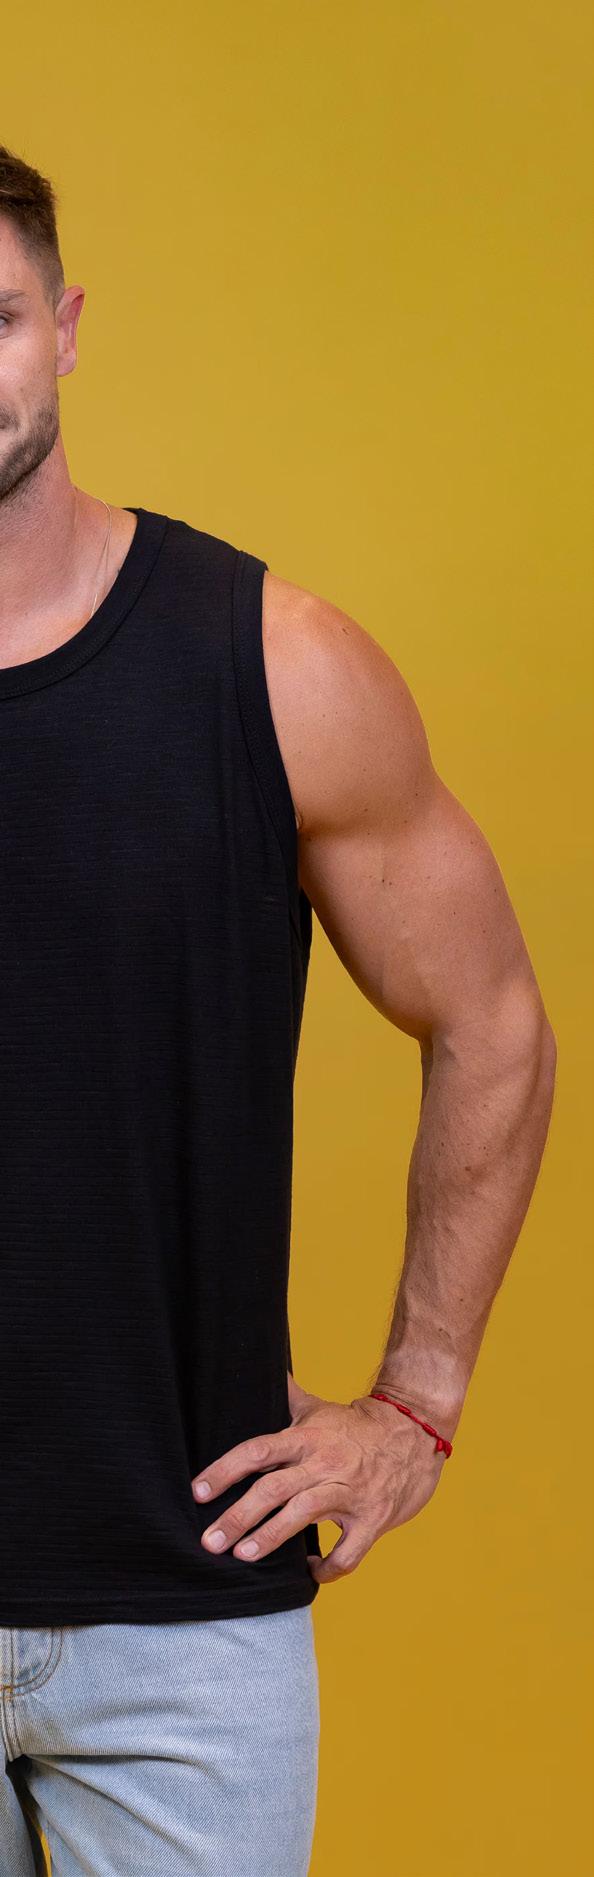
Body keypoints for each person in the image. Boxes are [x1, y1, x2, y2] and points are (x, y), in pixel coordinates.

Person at [0, 143, 556, 1877]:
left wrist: (415, 1401)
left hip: (188, 1613)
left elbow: (491, 1018)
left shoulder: (271, 664)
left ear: (66, 328)